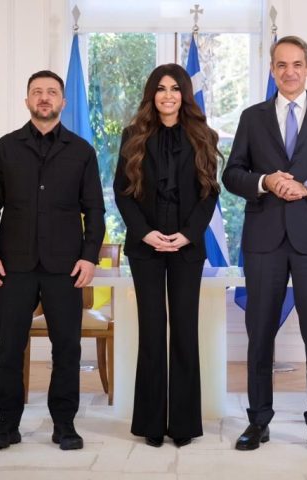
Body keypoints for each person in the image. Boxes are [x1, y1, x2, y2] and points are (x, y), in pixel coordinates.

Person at [223, 35, 307, 458]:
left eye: (297, 64)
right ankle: (258, 420)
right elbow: (232, 174)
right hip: (264, 240)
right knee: (259, 332)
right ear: (272, 69)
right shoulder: (253, 117)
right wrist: (265, 181)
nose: (289, 71)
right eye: (281, 64)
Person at [0, 70, 105, 451]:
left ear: (62, 101)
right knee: (8, 348)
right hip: (13, 265)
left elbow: (94, 211)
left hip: (65, 267)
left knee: (67, 348)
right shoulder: (5, 148)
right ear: (27, 101)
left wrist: (89, 257)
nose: (44, 98)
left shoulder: (82, 151)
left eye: (51, 92)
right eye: (37, 92)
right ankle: (6, 424)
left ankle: (64, 425)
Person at [113, 63, 219, 448]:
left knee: (185, 332)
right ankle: (151, 424)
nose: (168, 95)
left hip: (187, 248)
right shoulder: (133, 136)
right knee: (153, 331)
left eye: (175, 88)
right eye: (161, 88)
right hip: (146, 247)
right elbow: (122, 192)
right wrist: (146, 233)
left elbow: (210, 193)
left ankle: (184, 425)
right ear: (152, 94)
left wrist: (187, 235)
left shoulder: (204, 135)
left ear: (184, 94)